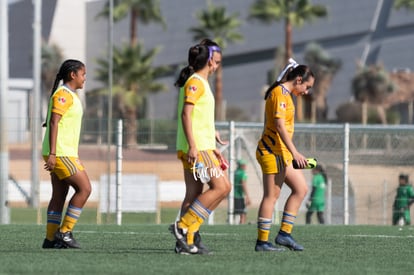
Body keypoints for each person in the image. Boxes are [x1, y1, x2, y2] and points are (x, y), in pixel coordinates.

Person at [171, 39, 231, 255]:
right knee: (222, 187)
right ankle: (183, 227)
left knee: (194, 193)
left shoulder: (199, 82)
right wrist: (195, 146)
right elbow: (186, 114)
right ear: (208, 61)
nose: (217, 66)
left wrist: (211, 135)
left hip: (201, 145)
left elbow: (198, 115)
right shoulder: (196, 82)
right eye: (216, 62)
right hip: (197, 148)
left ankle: (188, 241)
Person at [255, 58, 315, 252]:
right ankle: (262, 242)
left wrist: (292, 154)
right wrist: (295, 153)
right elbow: (280, 126)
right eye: (307, 87)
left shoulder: (287, 95)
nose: (306, 92)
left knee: (301, 188)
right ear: (298, 80)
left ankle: (284, 235)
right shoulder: (280, 94)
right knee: (272, 196)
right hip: (272, 152)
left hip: (281, 153)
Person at [41, 59, 92, 249]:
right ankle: (65, 232)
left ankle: (50, 239)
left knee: (59, 195)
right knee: (85, 189)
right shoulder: (63, 95)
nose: (84, 78)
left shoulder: (69, 95)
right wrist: (53, 154)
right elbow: (54, 122)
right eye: (83, 74)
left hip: (62, 152)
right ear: (73, 75)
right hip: (61, 153)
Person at [234, 159, 251, 224]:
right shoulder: (243, 173)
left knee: (235, 212)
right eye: (243, 165)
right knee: (243, 214)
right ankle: (241, 225)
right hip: (240, 195)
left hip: (233, 195)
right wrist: (247, 196)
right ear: (241, 166)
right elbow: (243, 185)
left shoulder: (235, 172)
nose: (245, 166)